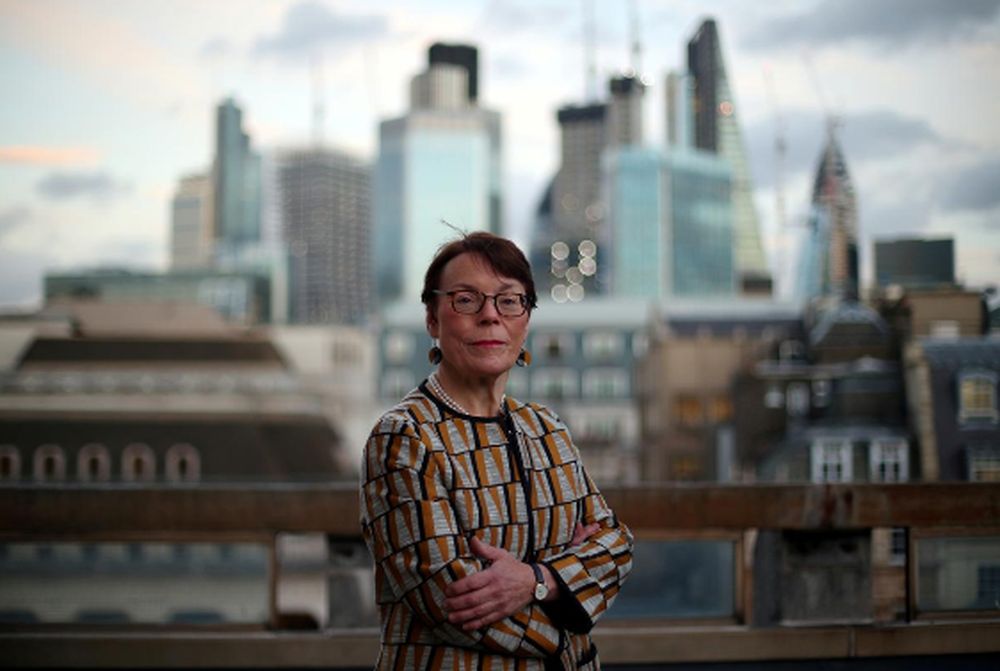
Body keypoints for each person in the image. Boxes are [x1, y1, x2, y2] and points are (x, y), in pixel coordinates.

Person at [360, 232, 633, 670]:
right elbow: (449, 600)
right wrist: (570, 606)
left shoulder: (546, 429)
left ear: (526, 318)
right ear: (432, 318)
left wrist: (534, 580)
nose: (490, 316)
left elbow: (616, 547)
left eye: (509, 301)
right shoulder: (405, 438)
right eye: (466, 300)